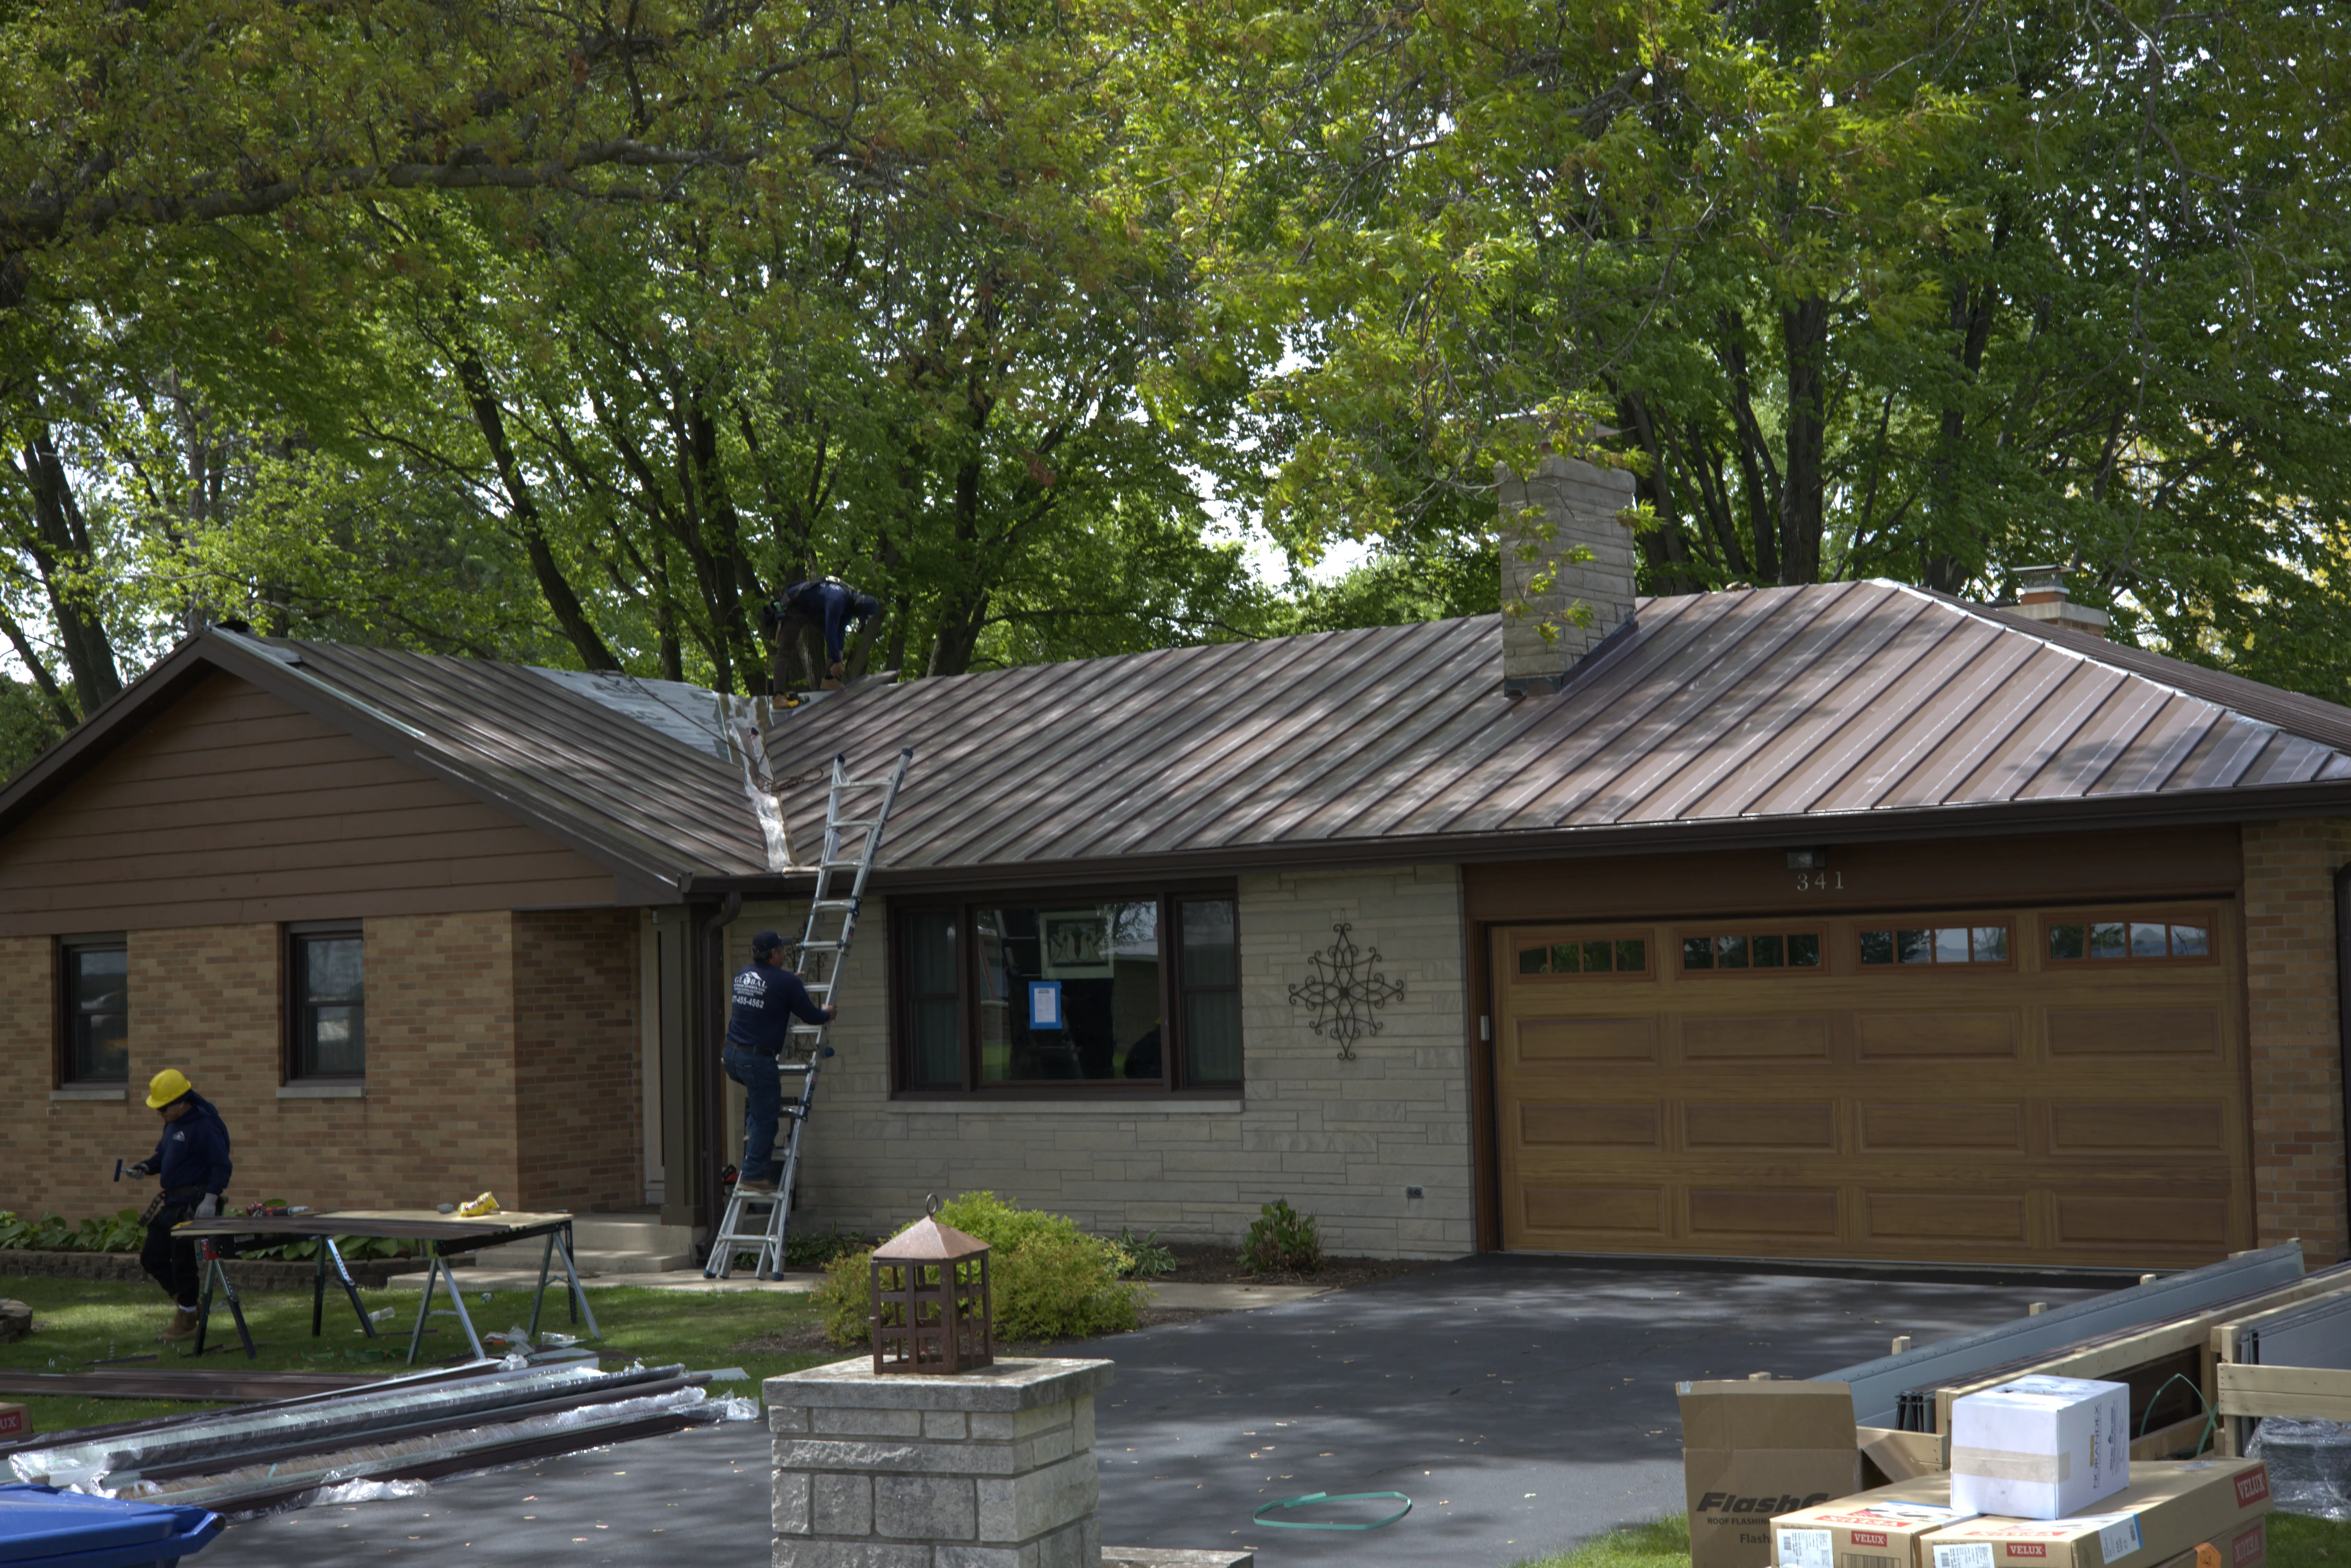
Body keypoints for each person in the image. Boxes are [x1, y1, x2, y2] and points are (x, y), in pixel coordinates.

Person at [721, 930, 836, 1195]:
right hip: (756, 1059)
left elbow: (766, 989)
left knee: (758, 1104)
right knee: (767, 1119)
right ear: (774, 953)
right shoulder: (785, 983)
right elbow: (810, 1016)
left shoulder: (742, 975)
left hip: (732, 1057)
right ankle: (752, 1176)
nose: (785, 953)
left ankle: (752, 1137)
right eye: (782, 950)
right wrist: (827, 1014)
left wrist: (788, 982)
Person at [121, 1068, 232, 1342]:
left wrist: (211, 1199)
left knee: (183, 1260)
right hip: (173, 1203)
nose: (160, 1113)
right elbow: (163, 1157)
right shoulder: (173, 1124)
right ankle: (189, 1308)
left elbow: (222, 1165)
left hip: (194, 1204)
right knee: (151, 1256)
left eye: (163, 1108)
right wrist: (145, 1167)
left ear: (182, 1102)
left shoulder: (204, 1126)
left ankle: (187, 1320)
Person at [766, 579, 882, 686]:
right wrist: (836, 662)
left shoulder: (851, 607)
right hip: (794, 605)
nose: (859, 618)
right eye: (861, 616)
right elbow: (831, 632)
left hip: (812, 612)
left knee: (836, 648)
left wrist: (840, 653)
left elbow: (840, 631)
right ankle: (778, 695)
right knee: (786, 650)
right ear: (859, 609)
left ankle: (830, 681)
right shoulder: (837, 599)